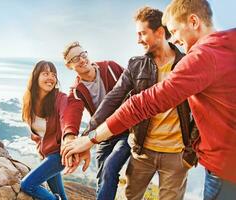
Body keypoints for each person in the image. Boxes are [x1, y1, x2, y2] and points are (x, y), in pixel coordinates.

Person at [61, 0, 236, 199]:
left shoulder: (196, 59)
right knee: (114, 175)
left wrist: (90, 139)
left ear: (194, 21)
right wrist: (85, 136)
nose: (175, 38)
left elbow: (143, 104)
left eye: (175, 31)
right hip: (143, 150)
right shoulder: (137, 65)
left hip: (194, 160)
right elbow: (111, 100)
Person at [61, 41, 131, 200]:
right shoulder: (76, 91)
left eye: (82, 54)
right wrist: (69, 139)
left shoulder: (111, 68)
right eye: (75, 59)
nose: (81, 60)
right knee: (102, 177)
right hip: (102, 135)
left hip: (126, 130)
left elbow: (134, 88)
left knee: (109, 167)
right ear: (68, 66)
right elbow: (72, 114)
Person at [20, 60, 68, 200]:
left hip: (59, 154)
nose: (50, 78)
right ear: (36, 77)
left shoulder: (60, 98)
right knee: (62, 196)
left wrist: (69, 136)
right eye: (45, 73)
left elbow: (67, 119)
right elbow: (37, 131)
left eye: (53, 74)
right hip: (47, 154)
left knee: (27, 185)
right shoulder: (29, 101)